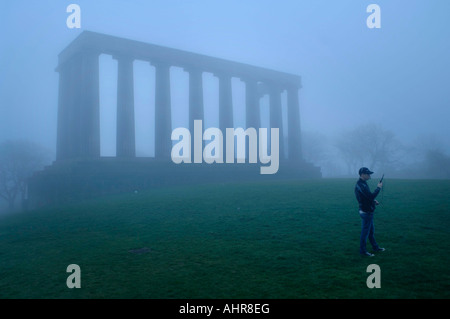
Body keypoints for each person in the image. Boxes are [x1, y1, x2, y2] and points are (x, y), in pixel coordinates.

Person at [354, 167, 385, 256]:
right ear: (362, 174)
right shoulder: (360, 185)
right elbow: (370, 196)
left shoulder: (363, 183)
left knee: (370, 232)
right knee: (365, 233)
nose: (369, 176)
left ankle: (375, 247)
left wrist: (373, 201)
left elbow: (366, 197)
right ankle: (363, 251)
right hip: (366, 212)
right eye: (368, 174)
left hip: (367, 211)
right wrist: (378, 188)